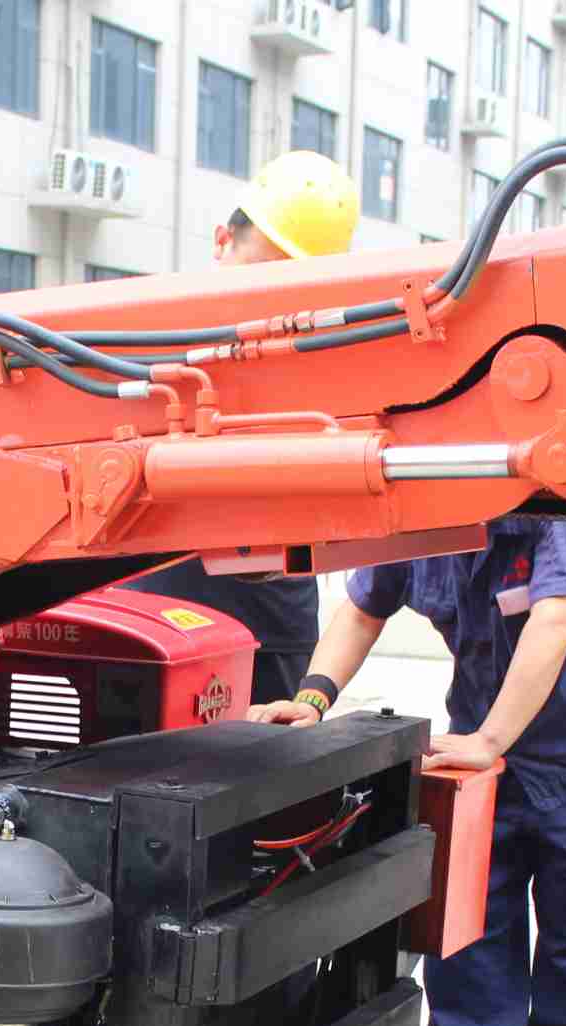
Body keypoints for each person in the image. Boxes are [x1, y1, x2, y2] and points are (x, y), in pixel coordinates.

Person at [249, 516, 566, 1026]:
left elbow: (557, 622)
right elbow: (361, 609)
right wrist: (311, 700)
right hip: (482, 753)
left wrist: (490, 740)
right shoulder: (420, 513)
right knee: (470, 936)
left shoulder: (556, 515)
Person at [120, 151, 360, 707]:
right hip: (145, 614)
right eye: (264, 273)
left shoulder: (327, 362)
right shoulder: (145, 339)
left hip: (267, 632)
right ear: (222, 240)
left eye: (296, 284)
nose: (274, 302)